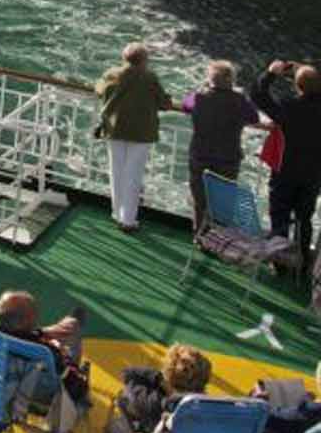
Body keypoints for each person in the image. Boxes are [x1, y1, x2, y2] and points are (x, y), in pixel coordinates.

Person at [0, 290, 89, 433]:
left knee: (59, 331)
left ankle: (69, 323)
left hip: (0, 390)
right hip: (39, 402)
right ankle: (73, 322)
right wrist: (69, 363)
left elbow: (21, 335)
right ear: (28, 321)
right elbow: (75, 385)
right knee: (72, 334)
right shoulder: (45, 353)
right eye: (34, 314)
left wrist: (39, 333)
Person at [95, 43, 174, 233]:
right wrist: (168, 99)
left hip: (115, 129)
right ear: (144, 61)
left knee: (117, 171)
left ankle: (117, 213)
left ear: (125, 59)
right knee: (133, 175)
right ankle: (128, 220)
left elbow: (98, 90)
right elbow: (164, 104)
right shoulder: (149, 77)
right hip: (141, 132)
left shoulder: (111, 74)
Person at [252, 60, 321, 271]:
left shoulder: (288, 108)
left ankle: (279, 263)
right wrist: (306, 73)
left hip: (285, 173)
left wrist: (271, 74)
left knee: (280, 218)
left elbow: (258, 96)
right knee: (304, 219)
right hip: (313, 175)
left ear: (297, 86)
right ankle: (303, 263)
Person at [181, 61, 261, 229]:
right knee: (223, 201)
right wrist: (241, 95)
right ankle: (218, 237)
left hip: (200, 155)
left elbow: (185, 105)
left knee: (200, 200)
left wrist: (201, 88)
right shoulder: (239, 100)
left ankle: (199, 235)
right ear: (231, 80)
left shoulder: (199, 97)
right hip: (228, 158)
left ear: (210, 79)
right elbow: (254, 118)